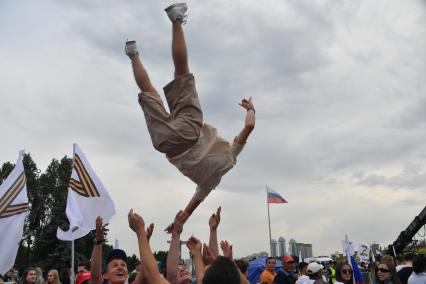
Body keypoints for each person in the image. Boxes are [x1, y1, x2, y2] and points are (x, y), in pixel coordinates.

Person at [125, 2, 256, 228]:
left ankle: (176, 19)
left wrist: (250, 108)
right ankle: (133, 54)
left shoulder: (230, 158)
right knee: (149, 93)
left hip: (189, 133)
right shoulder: (208, 184)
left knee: (182, 73)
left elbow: (250, 127)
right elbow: (189, 208)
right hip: (166, 144)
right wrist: (177, 226)